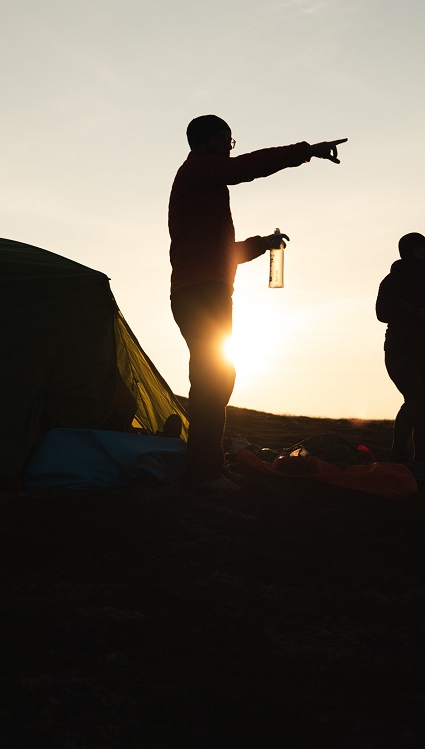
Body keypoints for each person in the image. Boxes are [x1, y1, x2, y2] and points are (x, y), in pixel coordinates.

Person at [168, 114, 346, 490]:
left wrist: (262, 243)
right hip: (200, 292)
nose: (230, 148)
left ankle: (206, 465)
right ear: (202, 143)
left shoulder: (206, 190)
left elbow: (223, 254)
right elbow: (248, 168)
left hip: (204, 289)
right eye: (225, 140)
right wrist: (306, 152)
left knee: (216, 377)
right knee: (212, 378)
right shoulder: (199, 170)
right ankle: (203, 472)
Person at [375, 232, 425, 464]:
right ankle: (398, 455)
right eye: (418, 249)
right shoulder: (392, 280)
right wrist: (416, 312)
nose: (423, 253)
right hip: (399, 351)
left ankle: (421, 461)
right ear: (406, 251)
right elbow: (382, 313)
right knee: (415, 401)